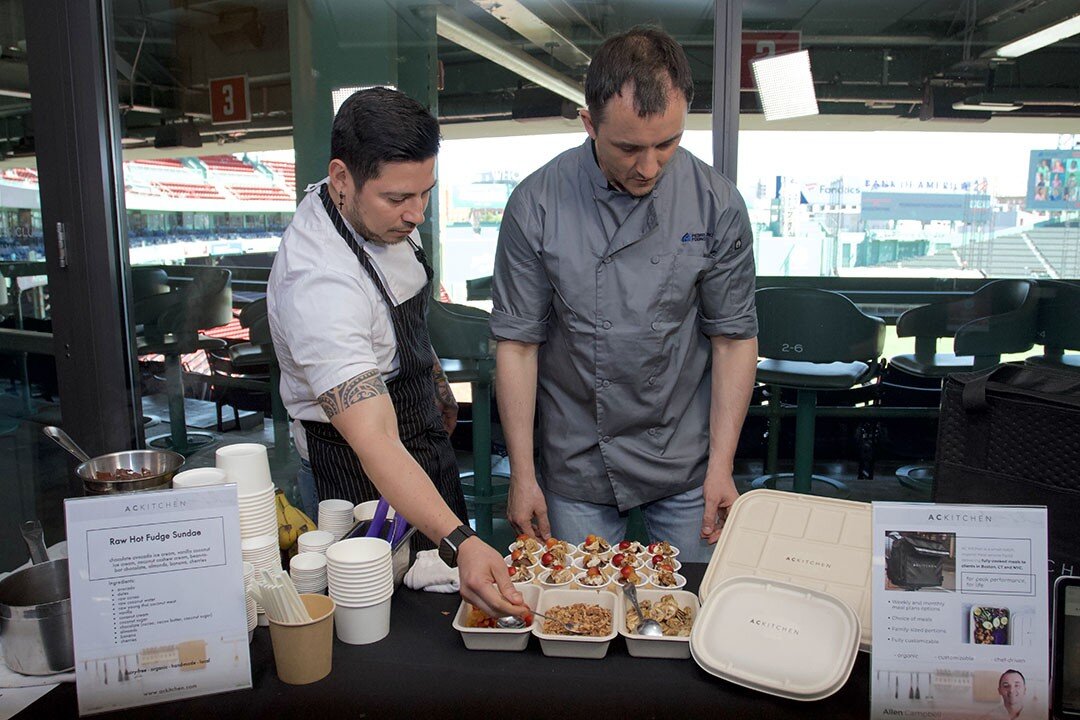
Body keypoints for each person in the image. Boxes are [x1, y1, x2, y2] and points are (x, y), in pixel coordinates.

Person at [491, 26, 758, 563]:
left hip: (681, 453)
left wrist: (722, 466)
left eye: (668, 143)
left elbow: (733, 339)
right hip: (576, 455)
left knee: (689, 614)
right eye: (629, 148)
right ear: (590, 124)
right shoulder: (536, 203)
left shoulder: (716, 204)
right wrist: (523, 474)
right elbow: (518, 344)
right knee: (576, 614)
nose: (650, 166)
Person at [268, 87, 524, 617]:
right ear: (343, 179)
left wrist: (434, 385)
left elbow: (400, 319)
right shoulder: (317, 284)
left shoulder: (378, 211)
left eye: (425, 193)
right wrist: (461, 541)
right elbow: (376, 438)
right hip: (357, 466)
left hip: (423, 440)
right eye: (398, 199)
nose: (417, 214)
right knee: (388, 625)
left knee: (461, 613)